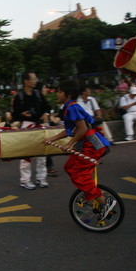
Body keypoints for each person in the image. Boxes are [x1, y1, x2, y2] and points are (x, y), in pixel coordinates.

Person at [44, 79, 115, 221]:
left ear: (68, 94)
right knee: (69, 167)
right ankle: (90, 192)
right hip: (87, 144)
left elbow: (82, 129)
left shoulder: (72, 107)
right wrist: (52, 139)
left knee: (77, 174)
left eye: (59, 91)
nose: (57, 94)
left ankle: (104, 202)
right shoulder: (69, 107)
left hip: (91, 145)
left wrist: (69, 144)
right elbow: (69, 131)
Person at [12, 71, 50, 190]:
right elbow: (14, 115)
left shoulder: (38, 94)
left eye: (35, 78)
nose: (35, 81)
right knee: (27, 155)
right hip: (26, 126)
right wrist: (22, 115)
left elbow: (47, 107)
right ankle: (25, 180)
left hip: (39, 125)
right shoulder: (19, 96)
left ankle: (41, 178)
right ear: (26, 81)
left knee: (42, 154)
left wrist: (43, 115)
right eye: (33, 79)